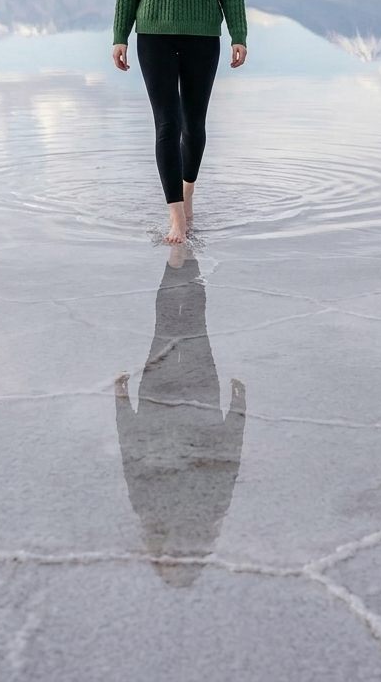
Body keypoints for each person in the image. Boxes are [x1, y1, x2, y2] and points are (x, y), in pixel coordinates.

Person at [112, 0, 247, 243]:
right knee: (167, 125)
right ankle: (176, 216)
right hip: (153, 35)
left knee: (194, 125)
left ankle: (188, 196)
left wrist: (238, 33)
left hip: (202, 35)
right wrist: (120, 35)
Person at [115, 246, 246, 586]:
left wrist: (122, 402)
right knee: (194, 322)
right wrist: (238, 409)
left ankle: (180, 253)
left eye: (169, 559)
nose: (176, 551)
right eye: (182, 560)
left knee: (165, 322)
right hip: (201, 399)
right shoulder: (212, 511)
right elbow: (228, 458)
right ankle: (187, 255)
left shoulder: (147, 511)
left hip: (156, 402)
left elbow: (131, 454)